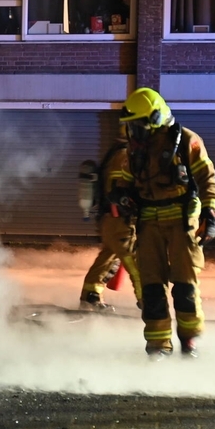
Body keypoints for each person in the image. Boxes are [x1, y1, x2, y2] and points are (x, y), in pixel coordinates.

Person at [118, 87, 215, 359]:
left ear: (154, 118)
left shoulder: (187, 141)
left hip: (181, 221)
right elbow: (125, 181)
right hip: (148, 224)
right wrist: (120, 195)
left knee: (185, 286)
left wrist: (210, 214)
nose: (133, 130)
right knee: (151, 288)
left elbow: (208, 179)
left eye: (138, 124)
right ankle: (158, 346)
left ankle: (188, 342)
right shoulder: (136, 149)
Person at [79, 124, 143, 312]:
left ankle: (90, 296)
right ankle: (150, 303)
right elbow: (120, 188)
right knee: (136, 263)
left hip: (110, 221)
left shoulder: (114, 153)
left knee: (107, 258)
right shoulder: (124, 156)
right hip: (120, 221)